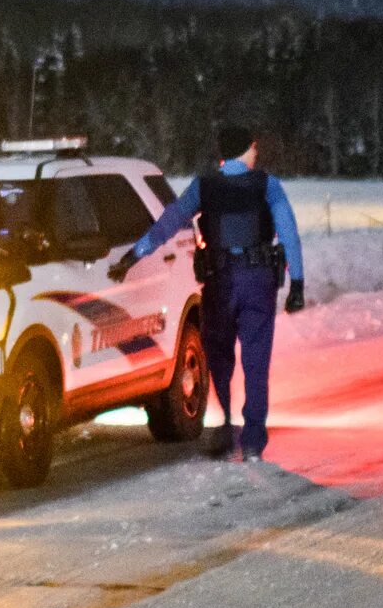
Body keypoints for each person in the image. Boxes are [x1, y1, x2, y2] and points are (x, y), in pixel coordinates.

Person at [108, 123, 305, 463]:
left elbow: (169, 222)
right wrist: (297, 283)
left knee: (220, 357)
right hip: (258, 281)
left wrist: (134, 254)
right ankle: (254, 437)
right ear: (247, 148)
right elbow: (289, 233)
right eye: (254, 148)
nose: (256, 153)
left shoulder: (204, 187)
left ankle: (227, 423)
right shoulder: (268, 185)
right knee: (256, 360)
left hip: (220, 282)